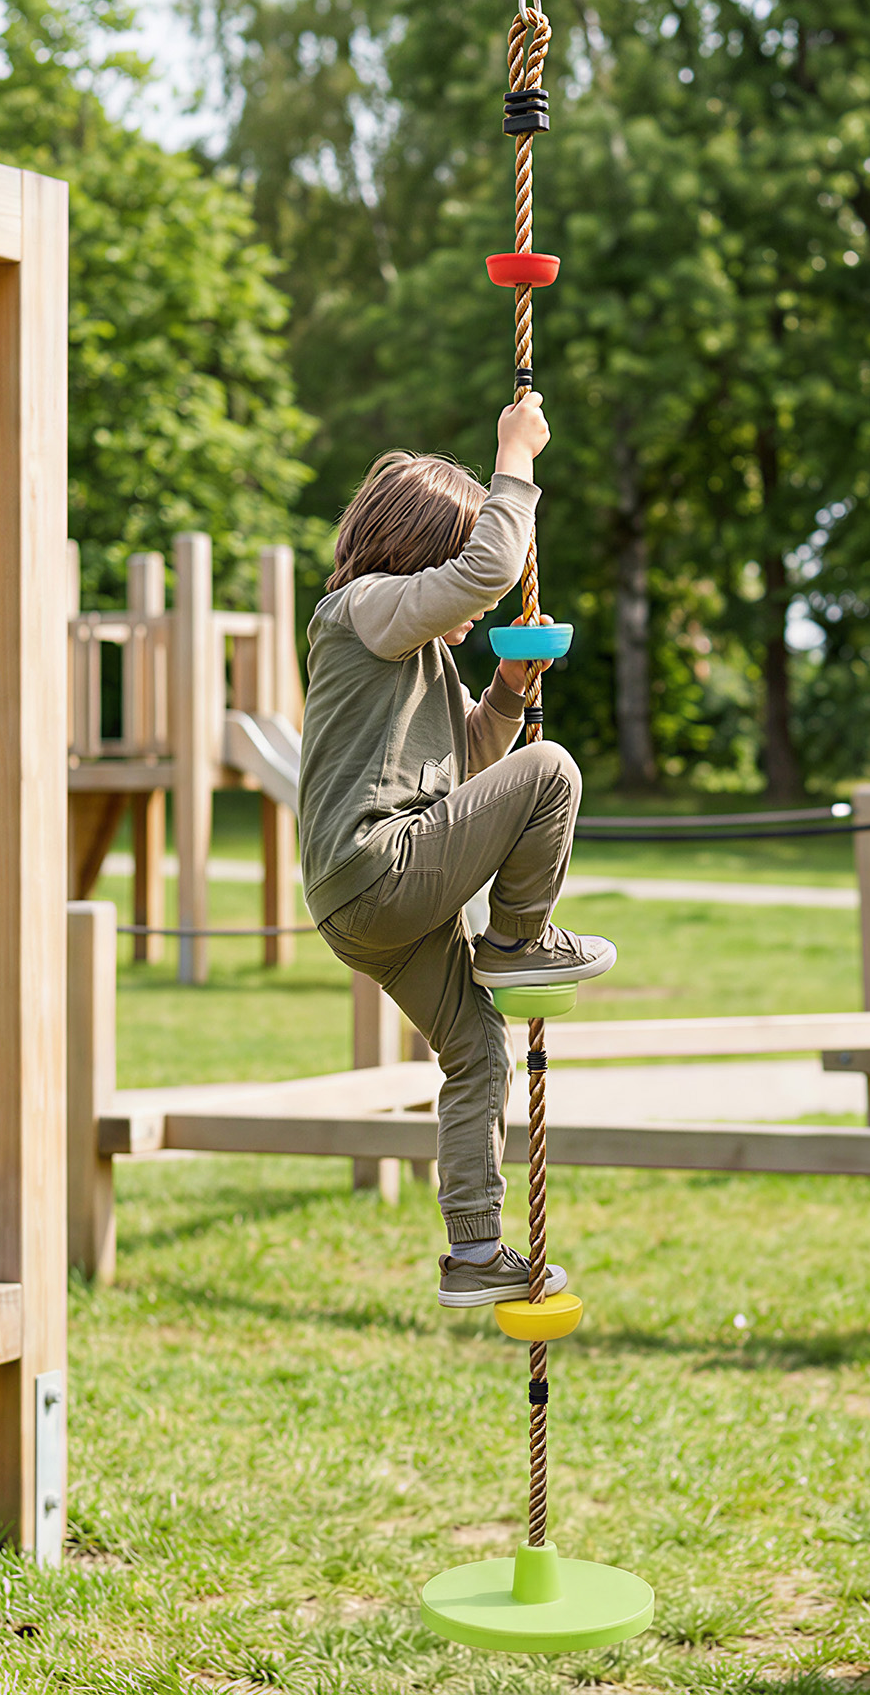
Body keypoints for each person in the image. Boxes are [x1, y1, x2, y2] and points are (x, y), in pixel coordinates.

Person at [299, 391, 615, 1307]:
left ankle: (473, 1250)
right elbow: (488, 570)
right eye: (460, 571)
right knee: (553, 774)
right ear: (420, 557)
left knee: (478, 1044)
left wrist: (508, 695)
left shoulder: (413, 653)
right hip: (380, 867)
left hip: (369, 901)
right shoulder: (363, 609)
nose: (474, 606)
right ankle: (518, 942)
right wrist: (516, 455)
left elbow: (463, 773)